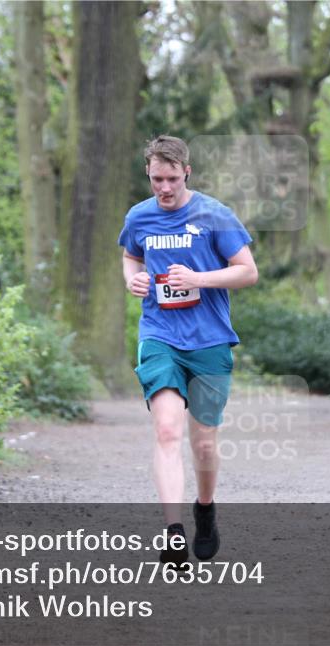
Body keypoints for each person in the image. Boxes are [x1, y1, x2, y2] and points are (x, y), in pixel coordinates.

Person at [118, 135, 258, 566]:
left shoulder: (214, 215)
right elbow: (130, 256)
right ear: (148, 173)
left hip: (210, 341)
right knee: (166, 430)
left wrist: (199, 279)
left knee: (203, 443)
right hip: (159, 334)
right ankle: (174, 533)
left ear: (187, 173)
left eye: (172, 179)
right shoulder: (139, 217)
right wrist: (133, 279)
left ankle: (205, 509)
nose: (164, 187)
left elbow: (247, 272)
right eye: (157, 178)